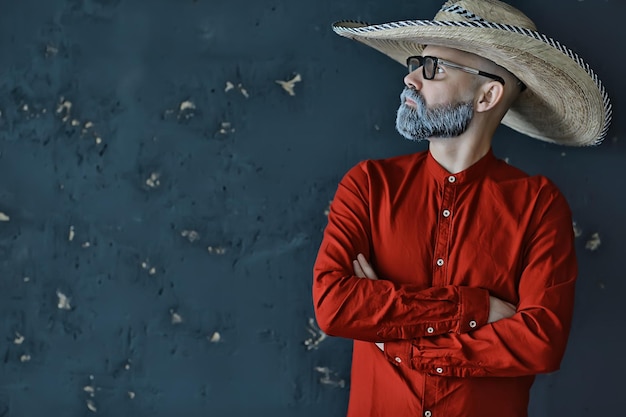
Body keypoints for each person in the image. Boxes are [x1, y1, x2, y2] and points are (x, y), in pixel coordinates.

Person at [312, 1, 612, 416]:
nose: (411, 77)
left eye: (433, 67)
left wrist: (399, 342)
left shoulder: (539, 205)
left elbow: (540, 341)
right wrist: (478, 309)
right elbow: (335, 305)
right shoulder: (369, 185)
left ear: (488, 94)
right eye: (418, 62)